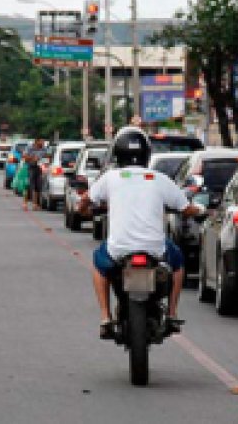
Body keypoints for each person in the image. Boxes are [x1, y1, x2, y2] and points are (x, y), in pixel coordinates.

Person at [78, 127, 203, 339]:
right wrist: (199, 209)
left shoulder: (110, 178)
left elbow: (85, 201)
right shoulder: (159, 179)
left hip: (118, 248)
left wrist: (84, 211)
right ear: (146, 153)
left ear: (117, 153)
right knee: (178, 264)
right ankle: (172, 313)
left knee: (99, 266)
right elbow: (186, 209)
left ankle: (105, 317)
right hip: (155, 249)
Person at [23, 138, 47, 211]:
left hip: (40, 168)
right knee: (30, 186)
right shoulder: (30, 148)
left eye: (43, 142)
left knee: (38, 186)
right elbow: (24, 156)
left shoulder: (44, 149)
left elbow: (47, 156)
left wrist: (46, 158)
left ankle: (35, 204)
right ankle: (25, 203)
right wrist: (33, 158)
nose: (43, 143)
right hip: (31, 167)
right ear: (37, 141)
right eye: (41, 142)